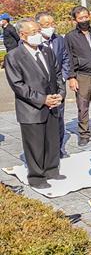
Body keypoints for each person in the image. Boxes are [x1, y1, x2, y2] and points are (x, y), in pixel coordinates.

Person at [4, 18, 66, 189]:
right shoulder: (14, 56)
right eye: (33, 33)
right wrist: (42, 99)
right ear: (22, 35)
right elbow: (18, 85)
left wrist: (60, 94)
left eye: (38, 31)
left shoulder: (47, 51)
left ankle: (52, 169)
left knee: (52, 140)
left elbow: (57, 74)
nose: (38, 35)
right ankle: (37, 176)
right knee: (35, 144)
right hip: (31, 108)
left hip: (52, 104)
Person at [64, 6, 91, 147]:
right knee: (82, 107)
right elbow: (68, 57)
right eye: (80, 18)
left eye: (86, 17)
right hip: (81, 75)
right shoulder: (71, 37)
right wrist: (71, 77)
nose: (84, 20)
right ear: (75, 20)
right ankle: (83, 134)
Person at [36, 12, 71, 157]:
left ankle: (59, 148)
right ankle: (44, 150)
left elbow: (66, 59)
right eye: (46, 25)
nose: (50, 27)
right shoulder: (30, 42)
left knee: (58, 118)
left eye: (52, 24)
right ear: (38, 26)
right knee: (42, 119)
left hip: (57, 86)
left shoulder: (59, 40)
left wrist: (63, 77)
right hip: (40, 89)